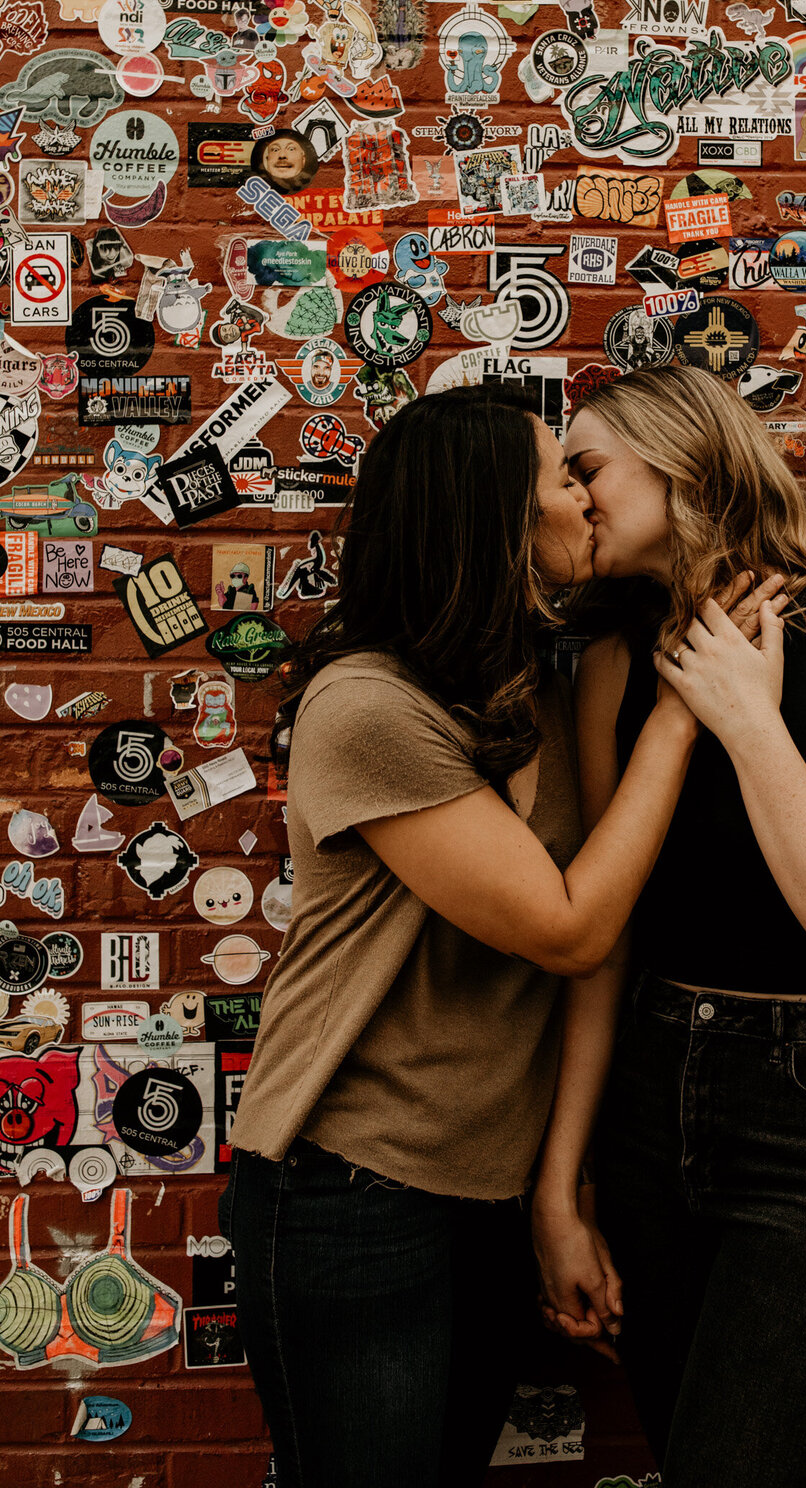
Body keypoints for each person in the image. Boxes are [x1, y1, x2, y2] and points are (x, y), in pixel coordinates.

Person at [220, 386, 764, 1488]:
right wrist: (679, 715)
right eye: (560, 478)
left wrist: (560, 1197)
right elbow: (568, 930)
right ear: (493, 521)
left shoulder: (537, 683)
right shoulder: (370, 708)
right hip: (352, 1182)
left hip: (487, 1188)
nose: (582, 495)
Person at [533, 365, 806, 1488]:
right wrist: (562, 1182)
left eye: (588, 470)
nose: (572, 500)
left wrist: (745, 721)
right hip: (649, 1104)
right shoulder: (614, 667)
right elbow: (604, 939)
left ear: (684, 463)